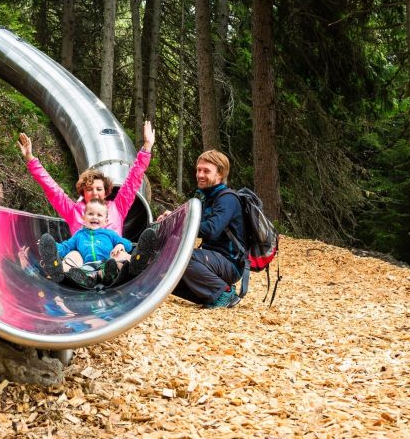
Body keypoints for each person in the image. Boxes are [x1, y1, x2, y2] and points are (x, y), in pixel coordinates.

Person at [17, 121, 155, 236]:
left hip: (112, 259)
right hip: (82, 261)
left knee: (120, 256)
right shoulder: (73, 211)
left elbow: (133, 180)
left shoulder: (118, 207)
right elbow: (52, 188)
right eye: (89, 189)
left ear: (106, 192)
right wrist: (30, 158)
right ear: (83, 193)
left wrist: (147, 146)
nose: (95, 192)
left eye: (99, 189)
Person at [157, 149, 245, 308]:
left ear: (220, 174)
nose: (200, 174)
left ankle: (224, 293)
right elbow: (193, 223)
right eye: (198, 170)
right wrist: (172, 219)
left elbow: (211, 230)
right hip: (212, 259)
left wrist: (181, 221)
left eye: (206, 171)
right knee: (167, 272)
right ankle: (211, 296)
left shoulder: (227, 199)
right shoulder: (207, 198)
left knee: (182, 257)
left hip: (230, 263)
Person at [38, 199, 156, 289]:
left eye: (99, 215)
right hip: (85, 269)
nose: (95, 217)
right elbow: (65, 247)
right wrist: (51, 247)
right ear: (84, 218)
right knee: (73, 253)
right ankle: (59, 269)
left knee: (120, 254)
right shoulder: (80, 235)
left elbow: (128, 244)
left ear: (105, 220)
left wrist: (120, 245)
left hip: (109, 264)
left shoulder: (110, 234)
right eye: (91, 214)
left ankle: (136, 262)